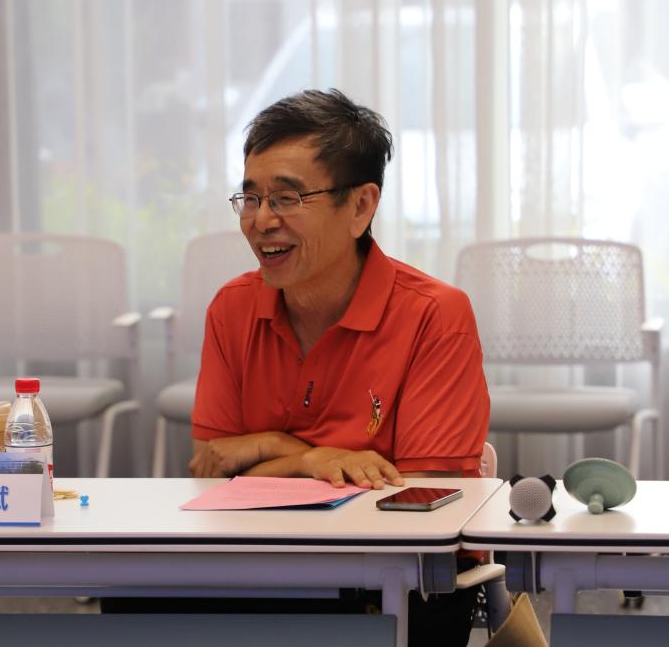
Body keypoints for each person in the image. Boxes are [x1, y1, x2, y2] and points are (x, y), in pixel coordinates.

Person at [188, 88, 491, 645]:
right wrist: (314, 459)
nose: (261, 220)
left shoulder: (434, 315)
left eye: (287, 198)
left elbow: (421, 503)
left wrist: (272, 453)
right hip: (264, 561)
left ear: (360, 207)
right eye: (250, 198)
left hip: (396, 576)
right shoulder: (232, 308)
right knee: (136, 596)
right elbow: (211, 473)